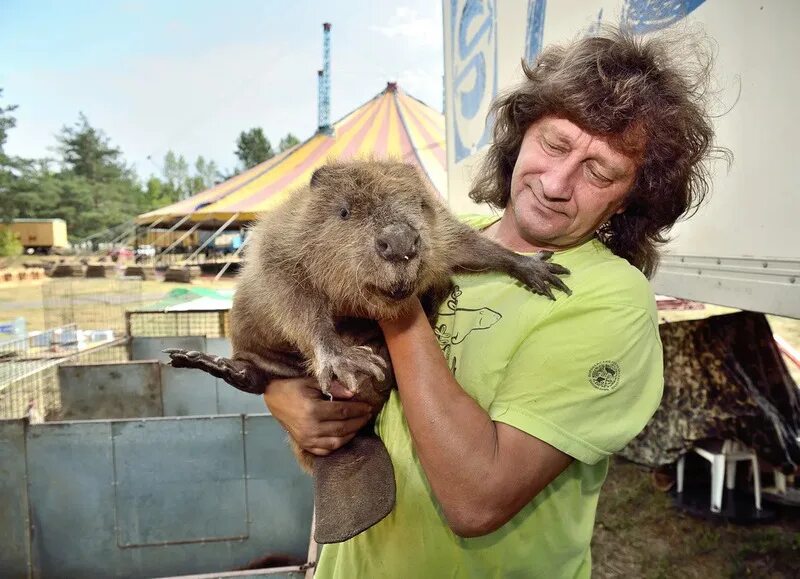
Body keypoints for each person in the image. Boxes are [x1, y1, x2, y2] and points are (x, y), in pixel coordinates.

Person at [264, 27, 723, 577]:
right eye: (554, 144)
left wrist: (398, 298)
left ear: (629, 202)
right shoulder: (454, 236)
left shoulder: (611, 301)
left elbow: (476, 498)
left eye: (599, 171)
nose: (556, 183)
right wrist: (283, 396)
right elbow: (288, 308)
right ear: (520, 136)